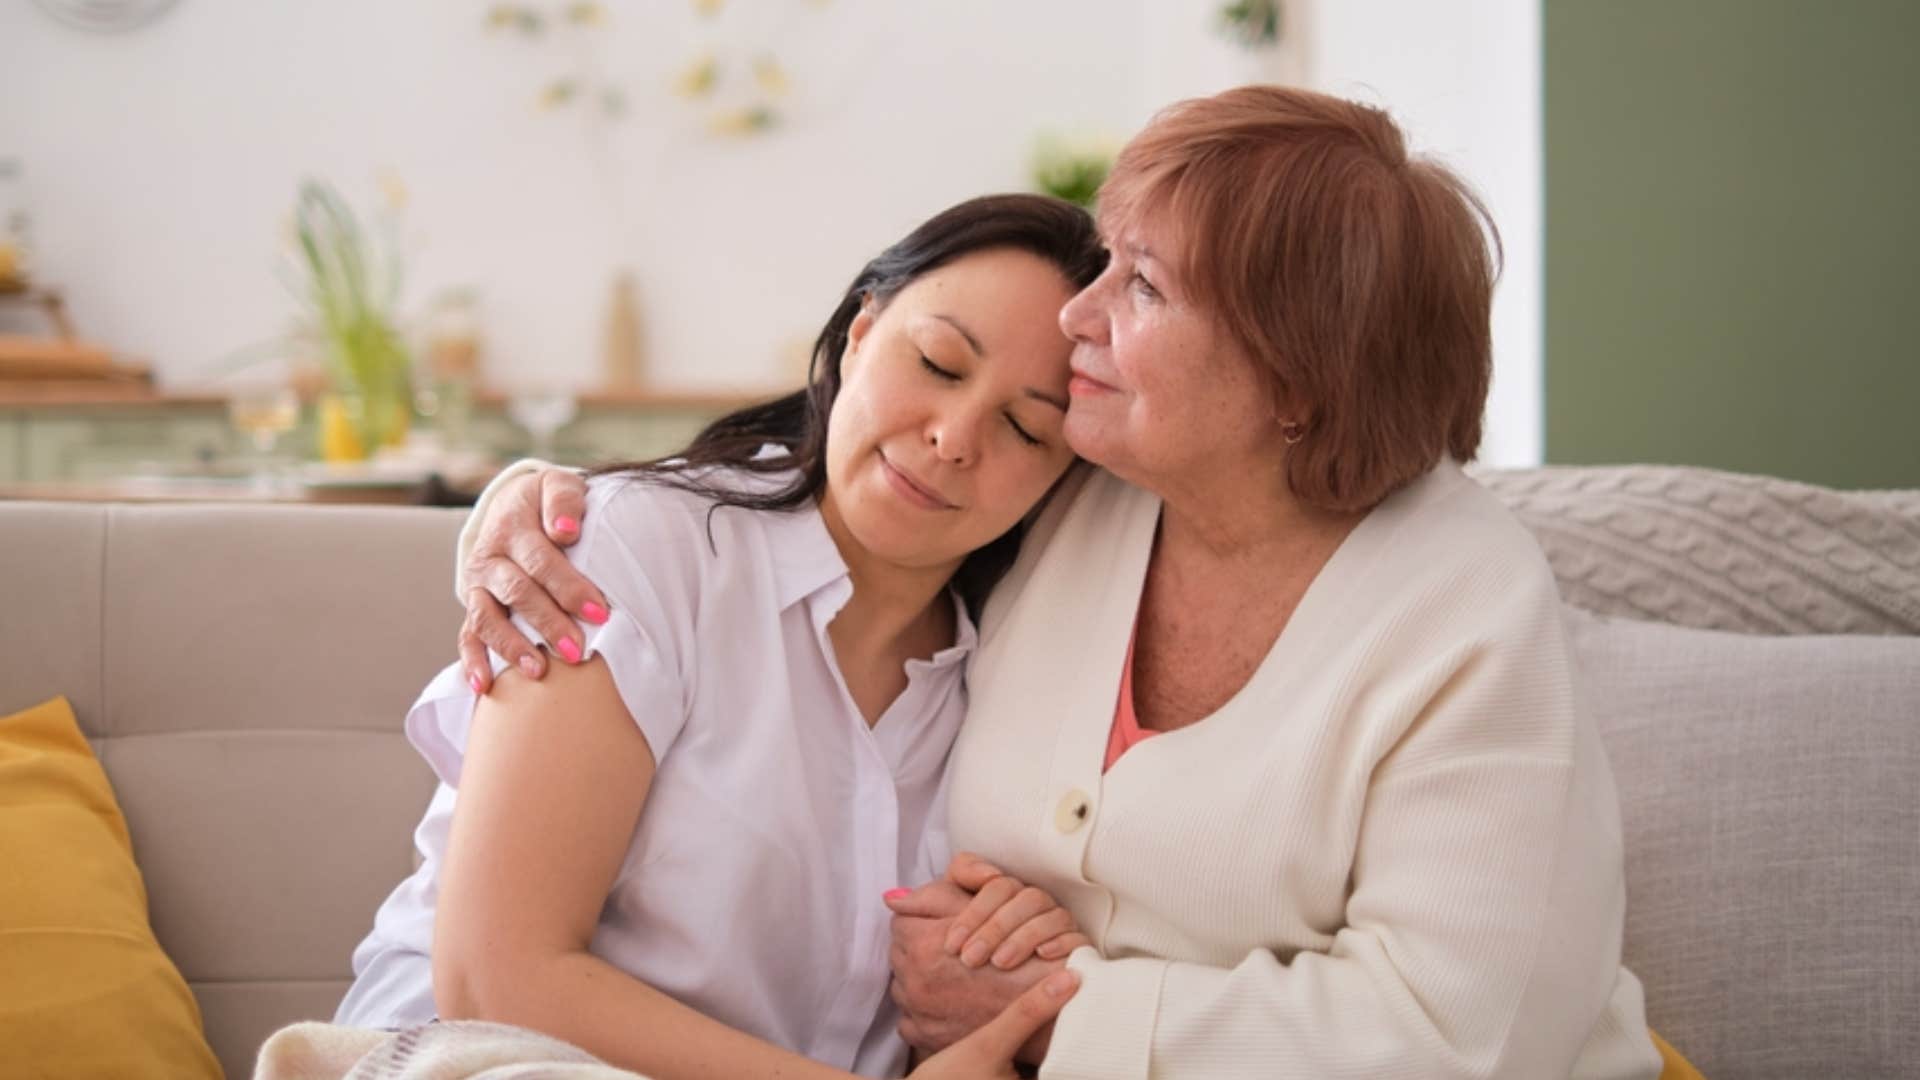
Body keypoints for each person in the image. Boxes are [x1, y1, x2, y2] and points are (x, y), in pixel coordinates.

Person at [457, 86, 1666, 1079]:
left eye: (1141, 285)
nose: (1078, 317)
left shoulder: (1462, 606)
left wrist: (1065, 1010)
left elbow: (1467, 1035)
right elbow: (834, 485)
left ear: (1297, 381)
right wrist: (533, 506)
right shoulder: (1080, 483)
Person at [335, 192, 1112, 1080]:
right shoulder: (642, 549)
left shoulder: (1010, 682)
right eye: (938, 363)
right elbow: (494, 975)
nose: (953, 437)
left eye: (1025, 427)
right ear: (859, 334)